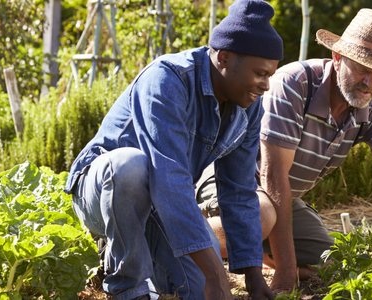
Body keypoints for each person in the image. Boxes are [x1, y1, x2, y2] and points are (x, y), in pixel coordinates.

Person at [63, 0, 282, 298]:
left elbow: (239, 191)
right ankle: (130, 287)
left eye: (270, 74)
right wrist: (217, 275)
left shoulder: (248, 107)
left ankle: (143, 255)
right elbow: (169, 178)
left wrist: (254, 279)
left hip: (159, 203)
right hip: (102, 191)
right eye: (260, 73)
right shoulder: (168, 79)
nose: (266, 85)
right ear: (225, 58)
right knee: (131, 165)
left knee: (196, 289)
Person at [198, 8, 372, 292]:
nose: (371, 83)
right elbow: (272, 175)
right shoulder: (295, 83)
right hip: (232, 184)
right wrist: (285, 270)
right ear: (338, 58)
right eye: (364, 70)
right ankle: (177, 246)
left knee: (336, 261)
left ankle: (258, 251)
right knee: (262, 215)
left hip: (283, 199)